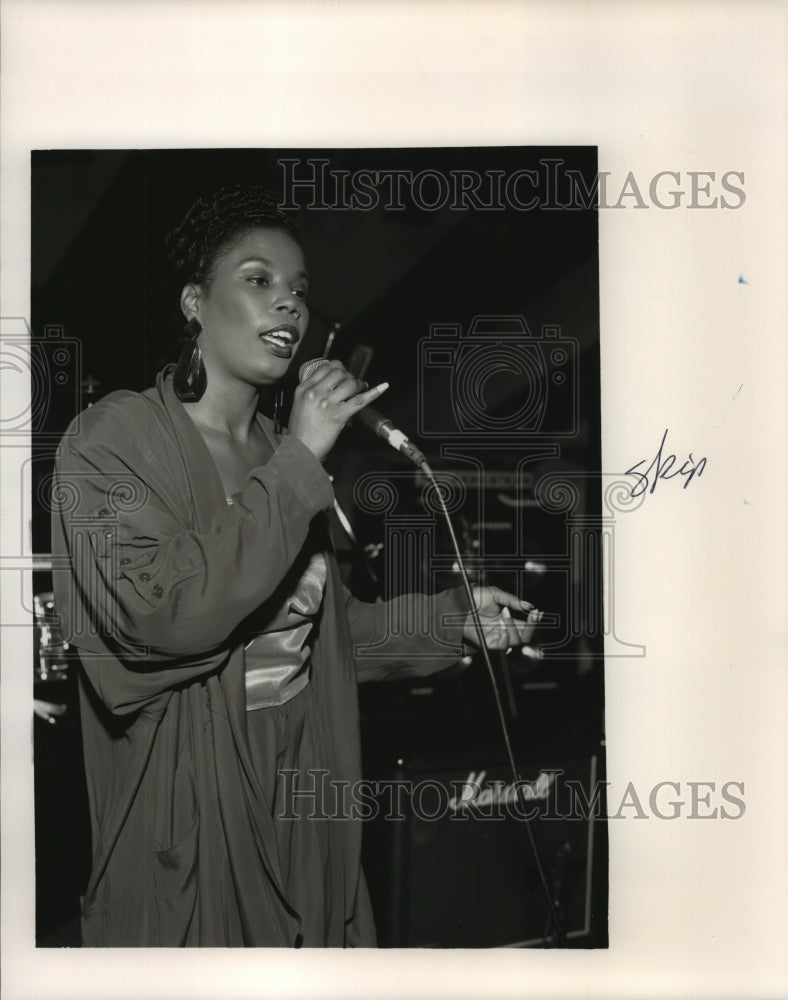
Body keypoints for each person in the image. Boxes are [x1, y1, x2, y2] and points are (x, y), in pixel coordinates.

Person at [51, 185, 540, 947]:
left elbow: (325, 638)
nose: (289, 306)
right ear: (193, 302)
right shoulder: (113, 438)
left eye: (300, 291)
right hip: (195, 819)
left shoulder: (286, 456)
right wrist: (304, 458)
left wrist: (452, 621)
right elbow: (163, 618)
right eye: (258, 281)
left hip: (307, 804)